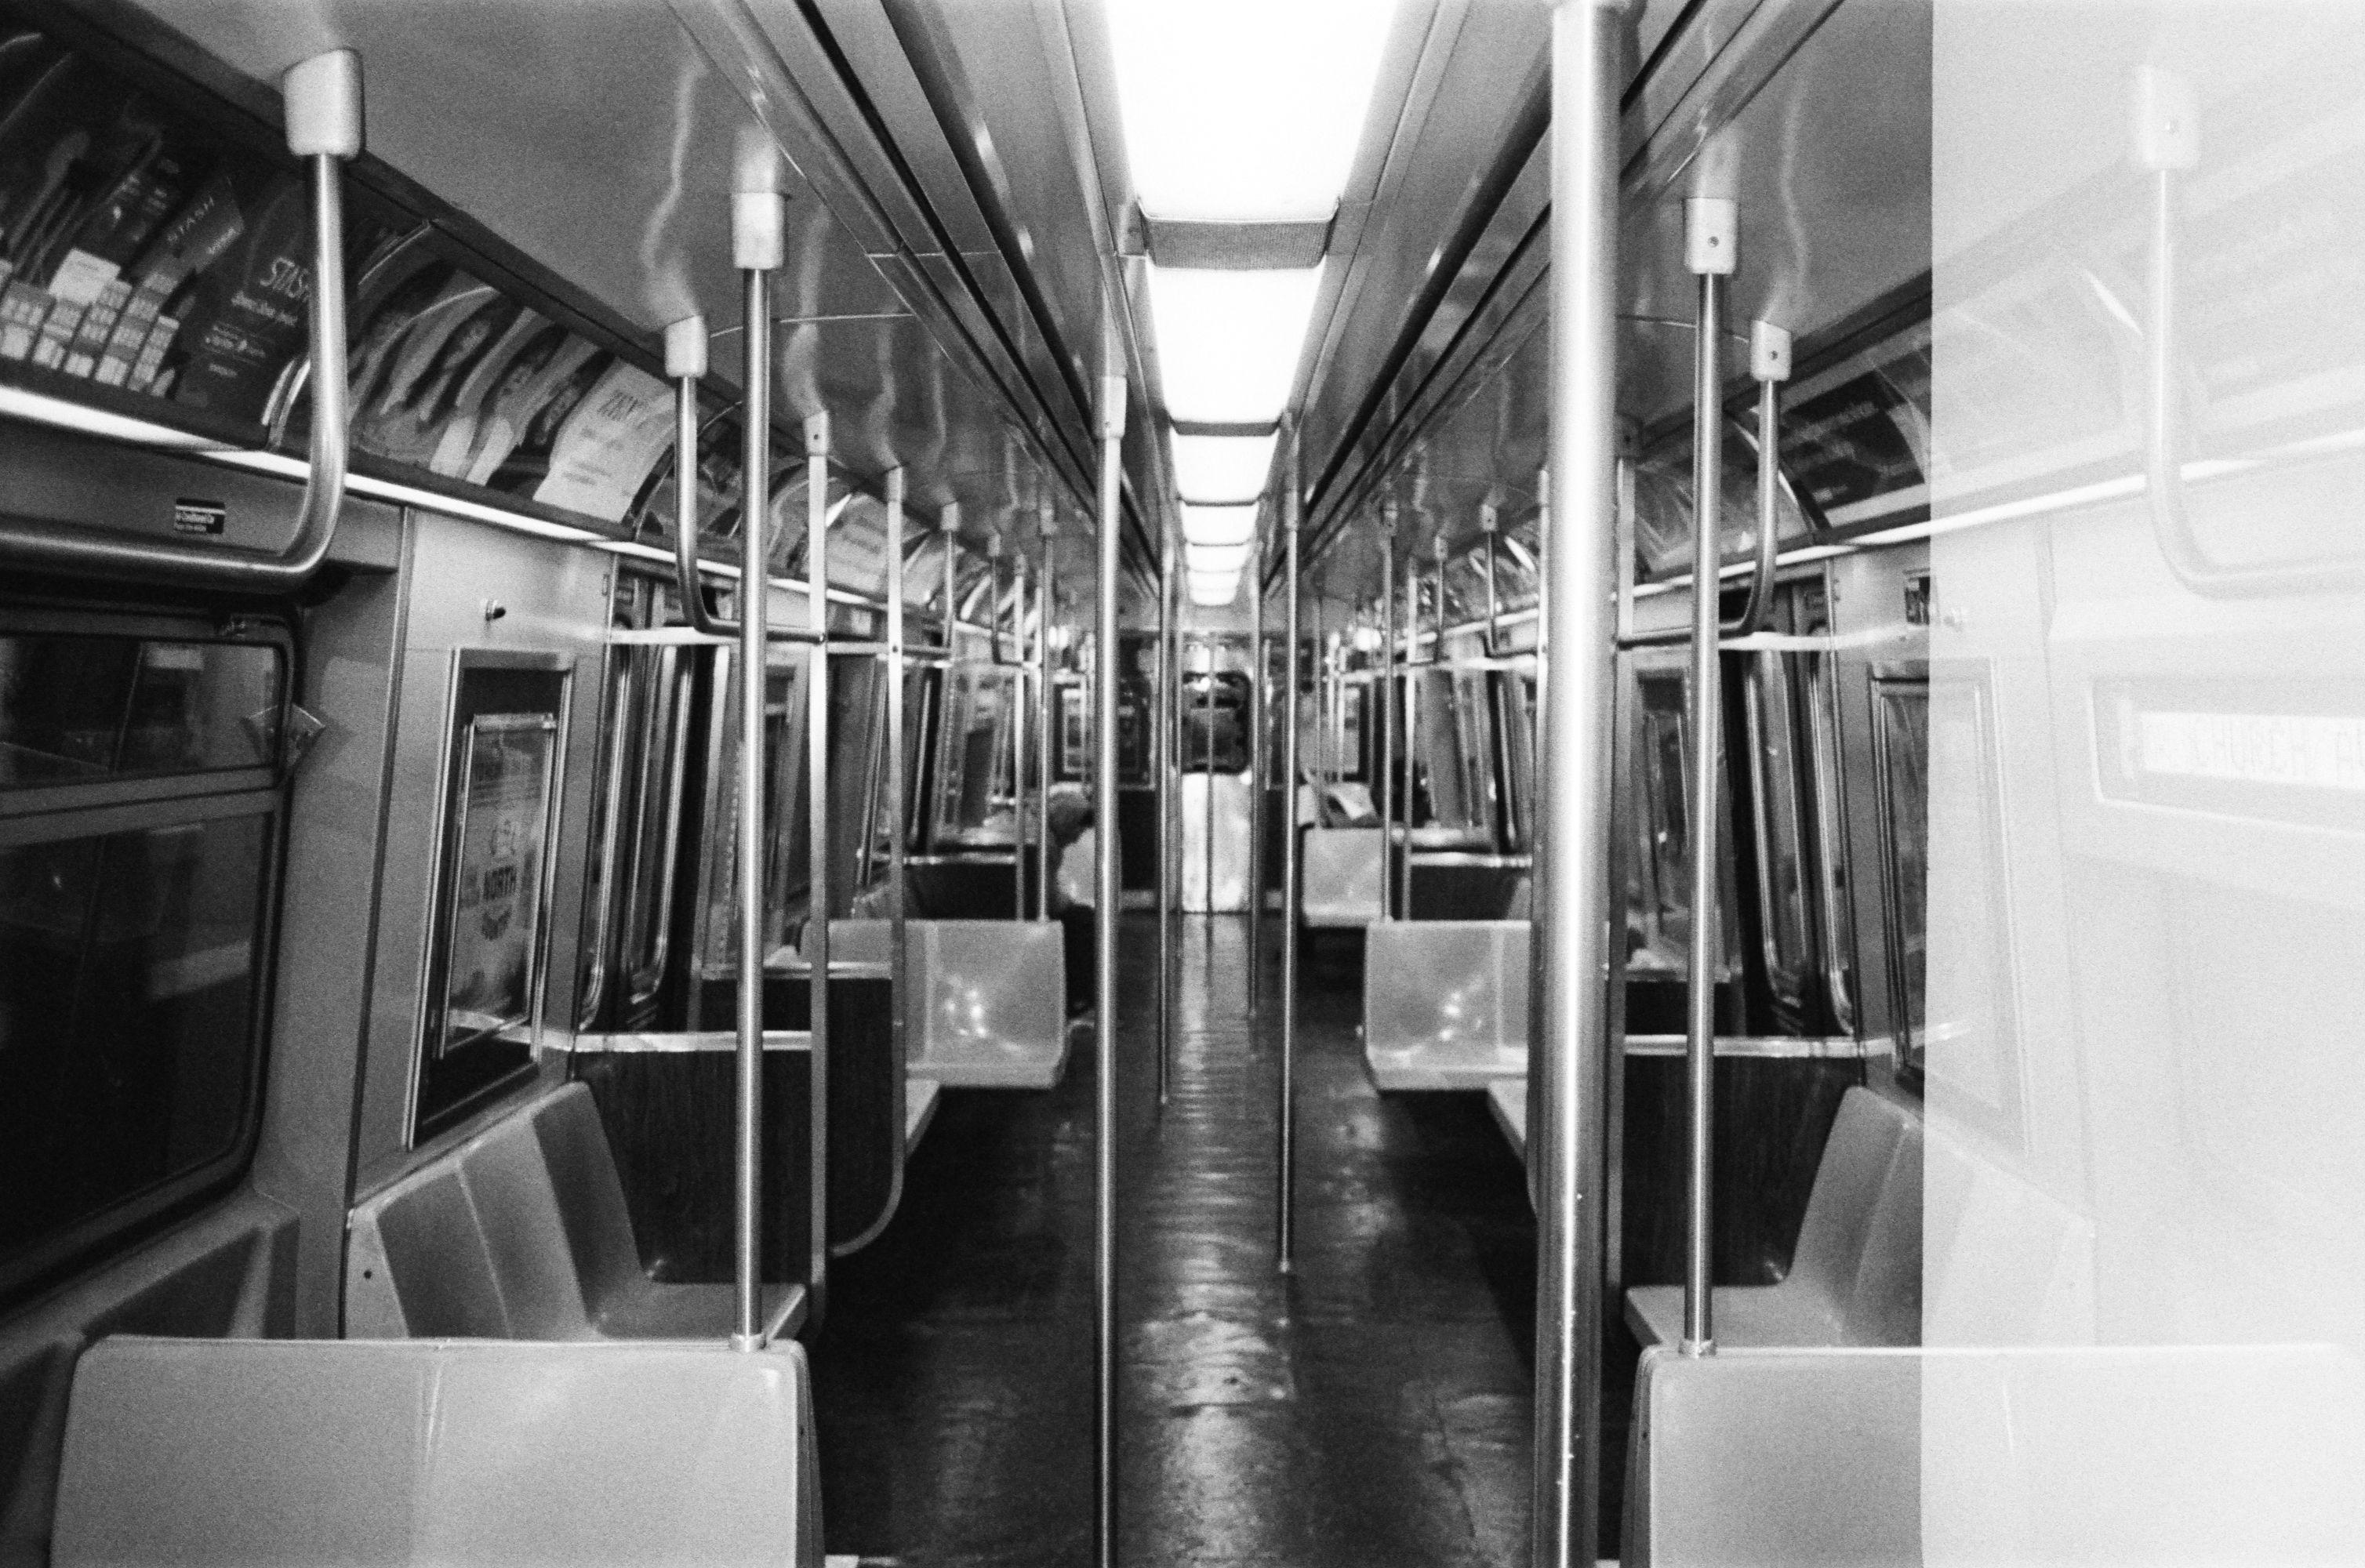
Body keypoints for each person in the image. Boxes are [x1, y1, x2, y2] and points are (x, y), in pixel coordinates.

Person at [1045, 782, 1095, 1016]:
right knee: (1083, 922)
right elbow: (1049, 899)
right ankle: (1079, 1000)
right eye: (1078, 830)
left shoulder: (1048, 841)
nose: (1077, 839)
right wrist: (1068, 902)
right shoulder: (1048, 848)